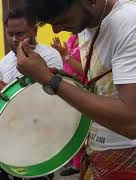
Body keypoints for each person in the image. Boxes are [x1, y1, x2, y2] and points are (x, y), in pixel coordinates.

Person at [19, 0, 136, 179]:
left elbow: (131, 122)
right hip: (98, 152)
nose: (56, 30)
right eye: (51, 23)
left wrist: (49, 80)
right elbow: (101, 84)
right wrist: (60, 76)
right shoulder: (85, 24)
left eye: (60, 20)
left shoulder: (129, 22)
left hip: (128, 155)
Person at [0, 8, 63, 180]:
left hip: (39, 139)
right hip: (10, 135)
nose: (14, 39)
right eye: (10, 34)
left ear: (34, 31)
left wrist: (10, 91)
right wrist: (1, 95)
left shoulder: (50, 56)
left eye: (20, 33)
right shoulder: (5, 61)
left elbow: (55, 99)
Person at [51, 34, 84, 176]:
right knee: (69, 125)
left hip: (81, 87)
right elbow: (66, 62)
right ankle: (74, 161)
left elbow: (86, 70)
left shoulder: (86, 41)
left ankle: (78, 164)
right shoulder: (71, 39)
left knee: (79, 126)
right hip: (67, 85)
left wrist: (65, 54)